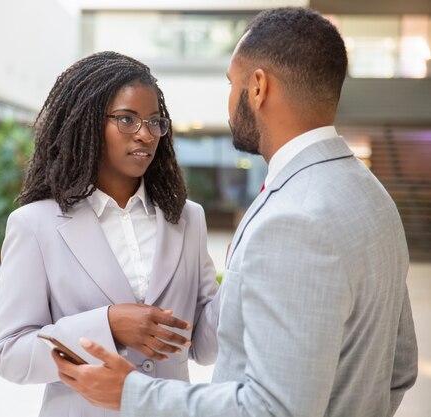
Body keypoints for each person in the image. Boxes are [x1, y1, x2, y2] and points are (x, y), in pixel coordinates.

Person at [53, 7, 418, 417]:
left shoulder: (290, 220)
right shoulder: (375, 199)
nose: (229, 102)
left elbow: (273, 408)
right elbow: (400, 370)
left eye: (232, 83)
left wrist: (132, 393)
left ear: (258, 87)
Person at [0, 51, 221, 416]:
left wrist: (247, 267)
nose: (145, 134)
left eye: (154, 121)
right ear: (86, 123)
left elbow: (205, 347)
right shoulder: (35, 224)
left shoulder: (188, 219)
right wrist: (107, 325)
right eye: (127, 119)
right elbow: (10, 354)